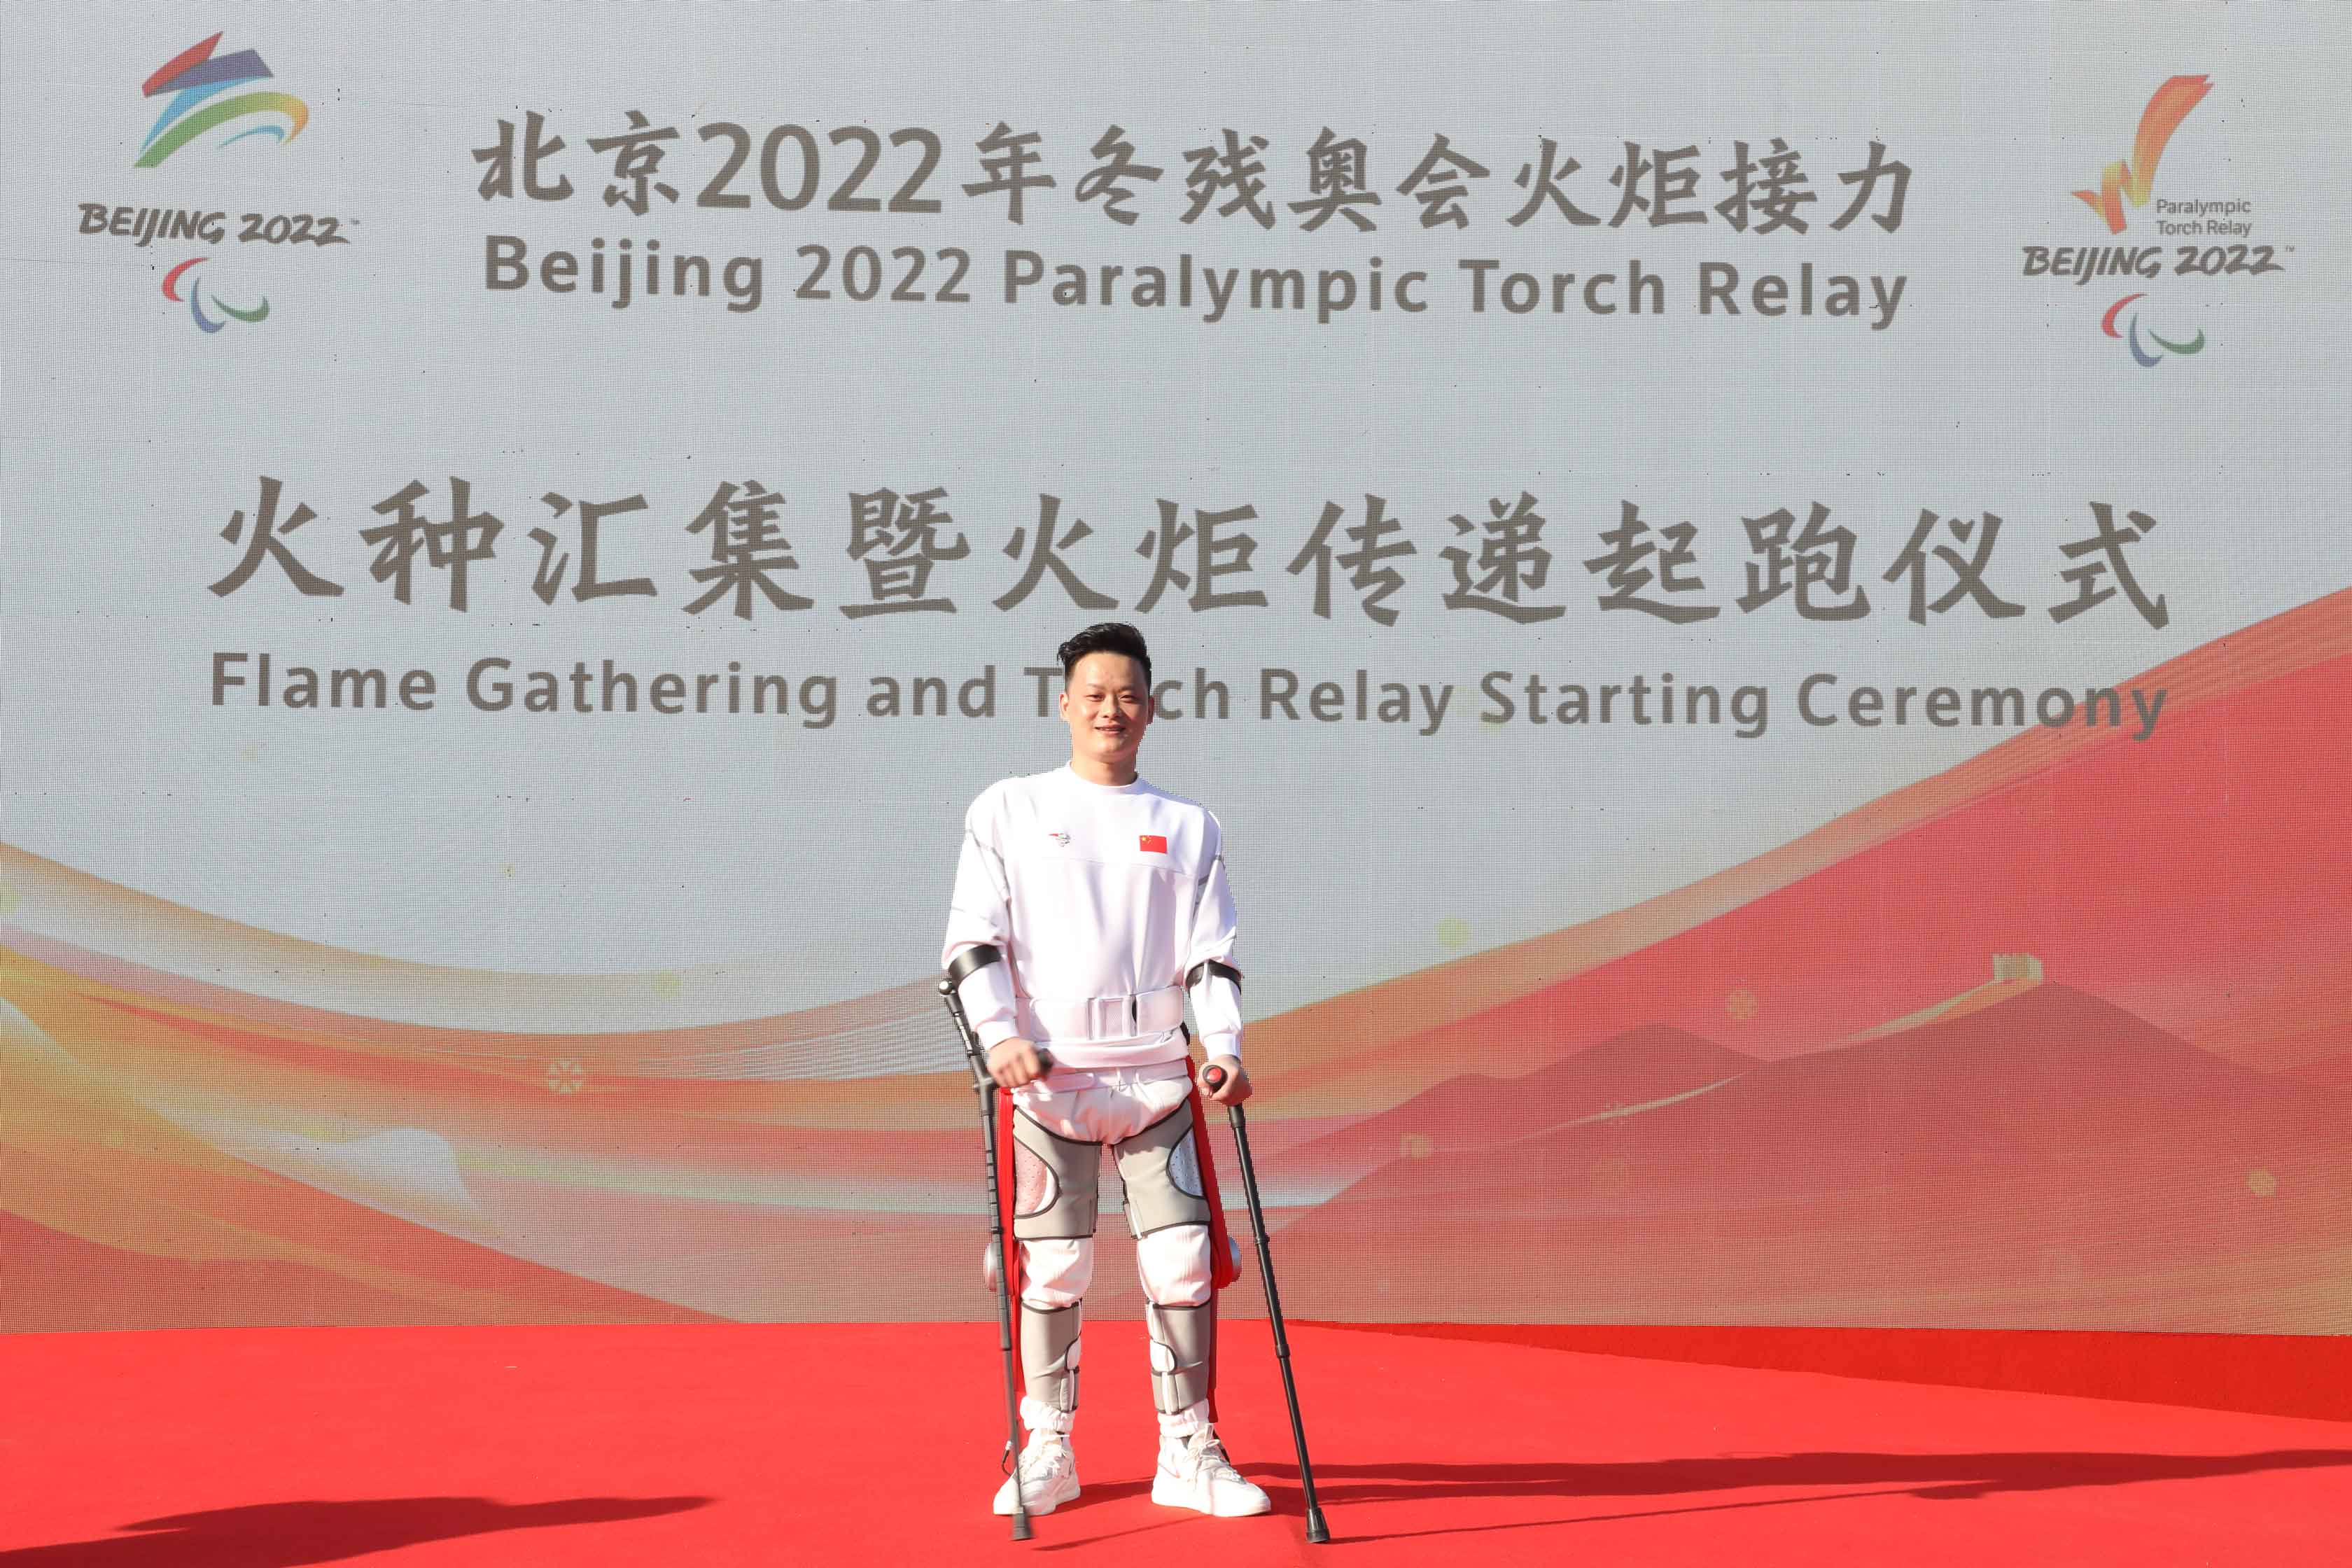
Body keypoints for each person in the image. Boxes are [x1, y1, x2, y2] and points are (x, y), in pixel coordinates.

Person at [941, 620, 1271, 1520]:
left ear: (1151, 708)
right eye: (1094, 694)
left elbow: (1211, 954)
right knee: (1051, 1268)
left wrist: (1224, 1046)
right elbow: (972, 941)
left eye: (1127, 695)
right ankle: (1047, 1445)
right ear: (1064, 704)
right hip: (1049, 1080)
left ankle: (1188, 1448)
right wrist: (998, 1036)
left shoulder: (1187, 824)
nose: (1110, 710)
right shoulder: (1008, 809)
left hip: (1158, 1077)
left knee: (1185, 1261)